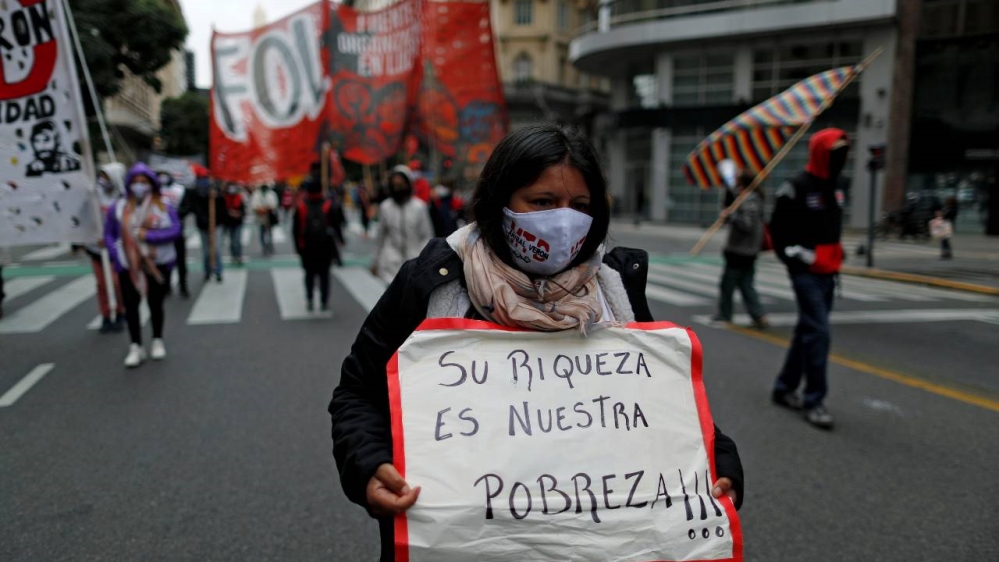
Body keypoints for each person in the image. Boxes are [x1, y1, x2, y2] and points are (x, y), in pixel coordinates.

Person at [329, 125, 744, 561]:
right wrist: (369, 464)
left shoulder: (614, 289)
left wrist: (720, 462)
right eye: (543, 202)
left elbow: (665, 405)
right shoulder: (432, 283)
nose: (564, 221)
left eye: (579, 206)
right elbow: (358, 392)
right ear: (500, 201)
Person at [769, 128, 850, 430]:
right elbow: (777, 230)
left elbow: (832, 225)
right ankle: (814, 400)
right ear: (820, 153)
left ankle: (784, 387)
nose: (841, 158)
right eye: (835, 152)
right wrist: (795, 257)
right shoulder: (796, 187)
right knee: (819, 332)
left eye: (844, 152)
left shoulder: (838, 184)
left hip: (829, 271)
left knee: (808, 330)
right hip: (805, 273)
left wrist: (837, 253)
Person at [104, 163, 182, 368]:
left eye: (144, 182)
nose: (139, 186)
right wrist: (116, 255)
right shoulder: (119, 207)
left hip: (156, 263)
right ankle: (135, 346)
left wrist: (148, 236)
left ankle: (157, 340)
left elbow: (175, 230)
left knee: (155, 303)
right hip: (128, 265)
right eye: (136, 182)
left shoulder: (163, 205)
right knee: (131, 305)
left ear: (151, 184)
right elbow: (109, 234)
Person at [713, 171, 769, 329]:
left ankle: (726, 313)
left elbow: (746, 224)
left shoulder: (749, 200)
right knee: (745, 283)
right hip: (747, 249)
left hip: (741, 250)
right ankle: (758, 315)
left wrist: (731, 216)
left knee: (729, 284)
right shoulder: (746, 199)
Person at [293, 164, 344, 312]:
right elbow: (336, 225)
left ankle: (309, 299)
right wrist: (340, 240)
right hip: (325, 247)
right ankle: (324, 300)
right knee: (324, 275)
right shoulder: (328, 205)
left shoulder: (301, 207)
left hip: (307, 247)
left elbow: (295, 230)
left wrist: (298, 247)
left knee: (309, 275)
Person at [369, 165, 434, 283]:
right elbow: (380, 237)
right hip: (389, 266)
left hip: (414, 263)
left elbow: (427, 236)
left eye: (401, 184)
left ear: (408, 184)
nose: (398, 188)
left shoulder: (419, 207)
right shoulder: (385, 207)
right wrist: (375, 261)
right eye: (394, 185)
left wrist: (423, 259)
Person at [83, 163, 127, 332]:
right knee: (101, 284)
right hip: (96, 248)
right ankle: (106, 315)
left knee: (117, 283)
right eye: (101, 176)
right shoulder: (94, 194)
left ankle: (121, 311)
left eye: (106, 176)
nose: (103, 180)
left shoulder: (123, 198)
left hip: (116, 248)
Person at [183, 173, 226, 283]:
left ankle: (218, 271)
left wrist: (217, 197)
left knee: (216, 249)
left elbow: (223, 207)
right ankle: (207, 271)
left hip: (216, 224)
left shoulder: (217, 189)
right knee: (206, 251)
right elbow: (193, 206)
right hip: (203, 225)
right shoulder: (195, 191)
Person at [158, 171, 190, 297]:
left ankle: (183, 285)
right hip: (162, 231)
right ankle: (166, 285)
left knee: (181, 260)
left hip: (177, 230)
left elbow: (187, 207)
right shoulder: (155, 190)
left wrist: (175, 216)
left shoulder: (180, 190)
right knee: (165, 260)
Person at [251, 183, 280, 256]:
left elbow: (274, 204)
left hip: (269, 217)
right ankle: (264, 247)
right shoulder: (256, 194)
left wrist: (267, 208)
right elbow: (254, 205)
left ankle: (270, 246)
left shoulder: (272, 193)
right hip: (261, 217)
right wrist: (260, 209)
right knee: (262, 232)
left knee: (269, 232)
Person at [223, 183, 246, 265]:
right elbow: (223, 211)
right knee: (232, 240)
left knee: (237, 240)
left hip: (238, 222)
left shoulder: (239, 198)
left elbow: (243, 211)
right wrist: (229, 213)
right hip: (229, 223)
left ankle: (239, 255)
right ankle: (233, 256)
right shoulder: (225, 198)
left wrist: (238, 214)